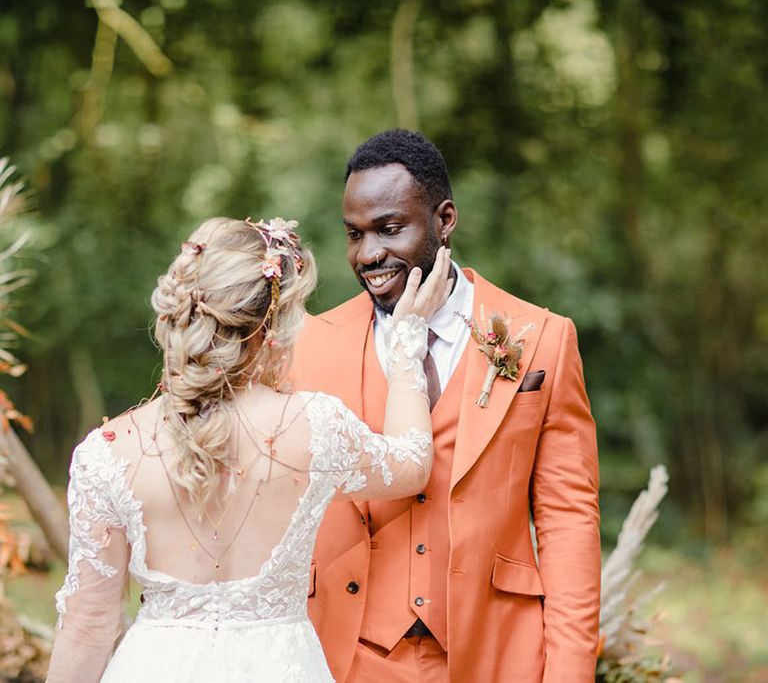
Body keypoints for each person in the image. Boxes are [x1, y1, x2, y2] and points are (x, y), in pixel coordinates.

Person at [46, 216, 453, 682]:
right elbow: (412, 464)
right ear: (271, 323)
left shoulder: (108, 454)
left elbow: (87, 626)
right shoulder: (314, 426)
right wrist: (406, 344)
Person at [292, 129, 601, 682]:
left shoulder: (543, 338)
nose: (369, 255)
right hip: (346, 653)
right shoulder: (312, 344)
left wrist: (570, 673)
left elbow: (568, 519)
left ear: (445, 219)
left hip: (496, 651)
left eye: (389, 229)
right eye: (354, 234)